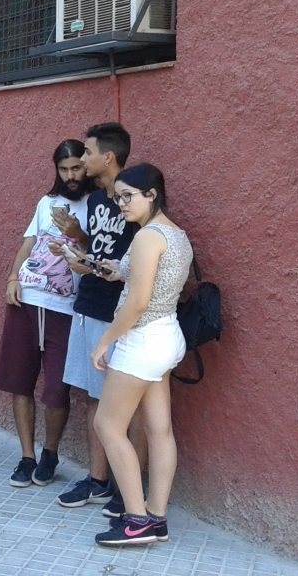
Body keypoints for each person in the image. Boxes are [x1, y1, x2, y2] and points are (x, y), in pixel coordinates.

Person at [90, 164, 192, 547]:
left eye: (128, 196)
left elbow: (137, 302)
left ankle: (135, 520)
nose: (121, 204)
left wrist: (104, 341)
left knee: (108, 426)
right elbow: (151, 281)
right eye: (118, 197)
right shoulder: (174, 233)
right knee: (159, 430)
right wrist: (116, 271)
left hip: (142, 340)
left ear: (151, 194)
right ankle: (156, 518)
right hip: (166, 335)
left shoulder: (148, 237)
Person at [55, 123, 144, 513]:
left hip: (118, 317)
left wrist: (97, 266)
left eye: (88, 153)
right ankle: (97, 481)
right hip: (87, 306)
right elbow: (100, 252)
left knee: (129, 407)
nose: (83, 159)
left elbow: (136, 262)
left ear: (107, 157)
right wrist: (79, 247)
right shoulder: (93, 202)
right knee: (92, 397)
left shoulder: (133, 201)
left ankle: (130, 491)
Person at [0, 140, 92, 489]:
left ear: (87, 166)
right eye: (64, 169)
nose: (70, 176)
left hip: (65, 309)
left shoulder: (96, 204)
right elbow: (27, 243)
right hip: (27, 299)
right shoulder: (45, 202)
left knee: (57, 389)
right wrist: (10, 277)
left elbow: (94, 250)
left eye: (76, 168)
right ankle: (26, 455)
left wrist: (75, 233)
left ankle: (50, 453)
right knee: (19, 381)